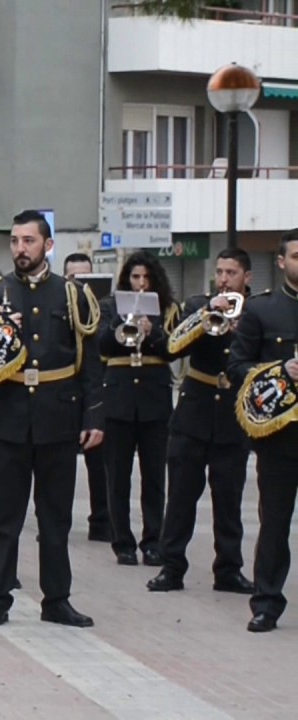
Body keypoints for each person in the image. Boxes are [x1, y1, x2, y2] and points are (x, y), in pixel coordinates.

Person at [0, 210, 103, 629]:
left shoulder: (72, 295)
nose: (20, 249)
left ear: (48, 245)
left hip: (57, 417)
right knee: (4, 516)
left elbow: (90, 362)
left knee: (55, 516)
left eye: (28, 241)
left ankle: (56, 599)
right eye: (14, 241)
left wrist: (94, 414)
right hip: (6, 417)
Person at [148, 248, 255, 595]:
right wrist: (209, 313)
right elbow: (171, 348)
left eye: (232, 272)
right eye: (220, 271)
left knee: (229, 498)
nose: (224, 279)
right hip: (194, 411)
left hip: (232, 414)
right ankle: (171, 566)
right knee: (180, 495)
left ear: (246, 277)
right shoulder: (198, 305)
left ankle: (228, 569)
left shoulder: (256, 312)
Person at [228, 229, 298, 633]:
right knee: (274, 521)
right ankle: (267, 601)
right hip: (281, 436)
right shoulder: (262, 310)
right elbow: (237, 368)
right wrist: (278, 372)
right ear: (281, 262)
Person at [98, 250, 177, 567]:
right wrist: (123, 322)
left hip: (154, 400)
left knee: (154, 476)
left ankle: (153, 540)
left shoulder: (168, 309)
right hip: (119, 398)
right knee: (117, 476)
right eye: (135, 277)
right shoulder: (109, 307)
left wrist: (152, 331)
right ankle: (122, 543)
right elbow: (102, 346)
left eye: (146, 277)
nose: (141, 283)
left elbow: (173, 349)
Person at [63, 252, 110, 542]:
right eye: (74, 279)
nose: (80, 285)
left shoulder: (102, 308)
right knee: (58, 466)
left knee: (100, 462)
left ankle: (102, 521)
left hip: (94, 388)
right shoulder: (57, 303)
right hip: (65, 393)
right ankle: (54, 522)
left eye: (86, 279)